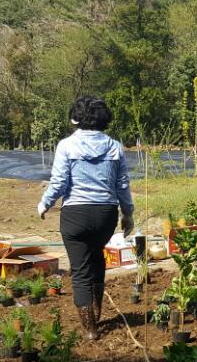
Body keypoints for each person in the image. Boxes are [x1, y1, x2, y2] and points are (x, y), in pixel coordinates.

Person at [38, 96, 135, 340]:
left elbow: (60, 183)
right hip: (105, 215)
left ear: (76, 119)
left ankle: (90, 329)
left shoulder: (66, 146)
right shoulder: (114, 146)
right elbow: (122, 184)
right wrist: (128, 213)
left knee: (80, 270)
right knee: (97, 257)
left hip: (76, 216)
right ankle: (97, 310)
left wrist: (45, 204)